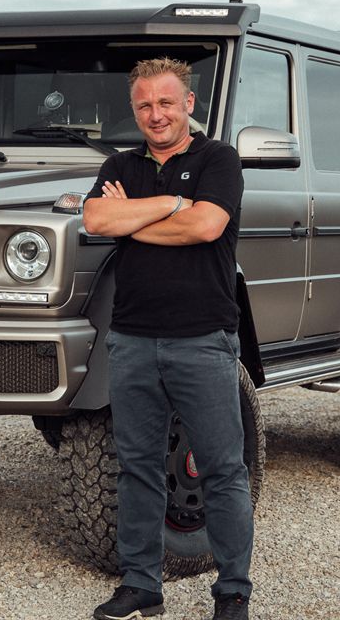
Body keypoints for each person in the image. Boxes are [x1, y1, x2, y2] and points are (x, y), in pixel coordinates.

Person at [82, 58, 251, 620]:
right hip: (131, 339)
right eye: (144, 106)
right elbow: (96, 222)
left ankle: (231, 593)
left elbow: (207, 227)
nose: (156, 115)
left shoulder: (218, 159)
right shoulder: (120, 163)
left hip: (201, 339)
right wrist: (171, 204)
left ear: (189, 105)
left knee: (223, 468)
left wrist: (132, 215)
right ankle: (141, 585)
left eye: (166, 103)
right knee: (137, 467)